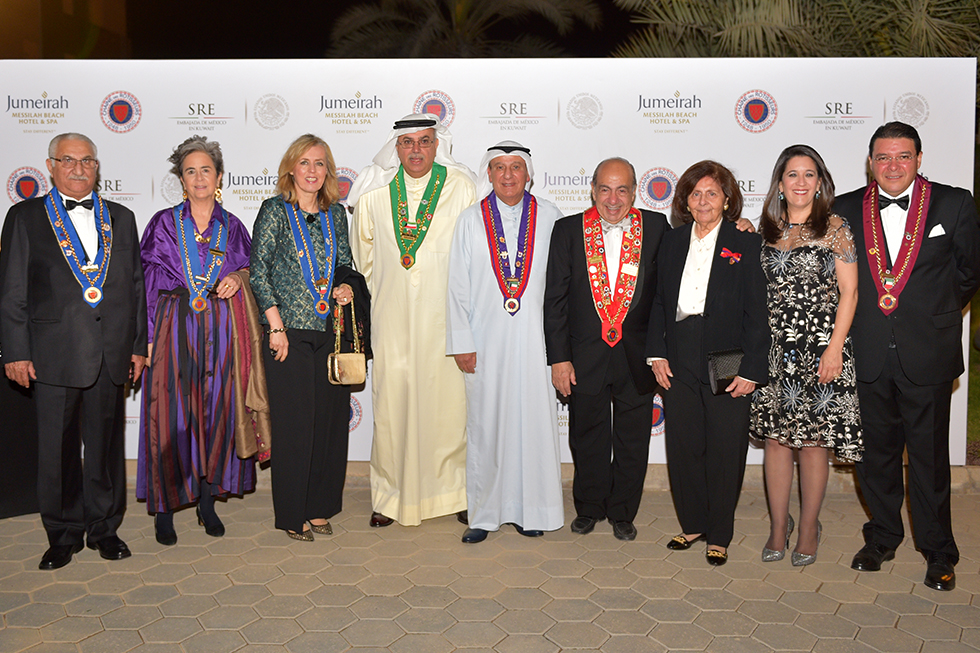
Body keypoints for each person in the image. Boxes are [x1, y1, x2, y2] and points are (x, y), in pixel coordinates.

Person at [836, 122, 980, 591]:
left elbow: (969, 271)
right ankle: (882, 536)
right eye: (883, 157)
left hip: (928, 352)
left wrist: (931, 313)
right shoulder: (843, 209)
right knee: (874, 456)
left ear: (919, 159)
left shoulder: (954, 203)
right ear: (870, 162)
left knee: (929, 460)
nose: (893, 166)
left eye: (902, 156)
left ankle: (938, 551)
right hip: (867, 352)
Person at [0, 133, 147, 569]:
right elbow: (12, 292)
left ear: (97, 167)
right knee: (56, 451)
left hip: (110, 353)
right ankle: (62, 535)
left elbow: (136, 287)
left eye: (87, 161)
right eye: (68, 160)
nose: (79, 168)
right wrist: (15, 351)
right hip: (51, 354)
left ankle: (105, 529)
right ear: (51, 166)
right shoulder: (24, 216)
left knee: (105, 449)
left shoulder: (121, 217)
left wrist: (137, 346)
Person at [348, 114, 476, 527]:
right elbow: (363, 260)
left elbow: (473, 254)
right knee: (392, 407)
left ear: (438, 145)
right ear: (396, 147)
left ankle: (454, 492)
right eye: (407, 142)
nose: (416, 150)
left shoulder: (461, 186)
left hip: (446, 320)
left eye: (424, 141)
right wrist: (395, 292)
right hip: (393, 320)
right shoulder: (374, 192)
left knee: (448, 408)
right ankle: (390, 497)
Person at [647, 160, 768, 565]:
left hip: (727, 356)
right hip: (679, 352)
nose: (703, 201)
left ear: (727, 200)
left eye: (712, 193)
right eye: (695, 194)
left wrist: (751, 369)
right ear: (685, 201)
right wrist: (657, 352)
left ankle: (719, 533)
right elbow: (659, 302)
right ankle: (693, 524)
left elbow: (758, 312)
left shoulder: (745, 242)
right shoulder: (672, 241)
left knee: (724, 447)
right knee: (684, 446)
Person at [137, 136, 255, 546]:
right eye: (191, 171)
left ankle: (207, 502)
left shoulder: (233, 226)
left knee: (216, 413)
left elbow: (252, 272)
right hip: (173, 328)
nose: (199, 177)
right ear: (181, 179)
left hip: (221, 330)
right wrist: (147, 338)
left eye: (206, 170)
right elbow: (146, 283)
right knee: (171, 416)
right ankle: (165, 509)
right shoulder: (163, 224)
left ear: (219, 177)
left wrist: (238, 276)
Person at [544, 157, 669, 542]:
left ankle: (623, 512)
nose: (613, 199)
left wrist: (738, 226)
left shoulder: (657, 227)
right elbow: (555, 300)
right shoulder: (568, 230)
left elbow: (669, 290)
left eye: (622, 190)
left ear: (634, 191)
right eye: (605, 189)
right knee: (587, 437)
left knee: (632, 441)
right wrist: (559, 358)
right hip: (584, 357)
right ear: (592, 190)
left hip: (638, 356)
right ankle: (589, 507)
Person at [250, 134, 368, 541]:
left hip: (330, 333)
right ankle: (291, 514)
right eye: (305, 162)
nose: (312, 171)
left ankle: (319, 507)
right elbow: (259, 271)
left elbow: (345, 265)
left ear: (328, 171)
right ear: (291, 168)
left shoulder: (336, 215)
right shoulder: (274, 211)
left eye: (320, 163)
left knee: (329, 426)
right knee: (296, 427)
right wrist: (275, 326)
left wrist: (345, 287)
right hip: (289, 334)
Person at [750, 145, 863, 566]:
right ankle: (779, 526)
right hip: (773, 350)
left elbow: (850, 292)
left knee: (813, 443)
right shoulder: (764, 229)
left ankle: (810, 527)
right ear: (779, 184)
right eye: (792, 174)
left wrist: (835, 348)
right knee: (777, 441)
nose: (801, 182)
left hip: (820, 348)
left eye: (809, 174)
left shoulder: (835, 228)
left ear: (820, 183)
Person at [447, 141, 565, 543]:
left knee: (534, 426)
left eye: (516, 167)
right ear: (489, 173)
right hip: (486, 342)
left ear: (528, 174)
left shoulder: (550, 216)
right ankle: (484, 515)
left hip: (537, 342)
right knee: (487, 425)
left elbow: (563, 285)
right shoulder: (470, 220)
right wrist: (462, 341)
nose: (508, 175)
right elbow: (457, 286)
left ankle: (533, 511)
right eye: (500, 167)